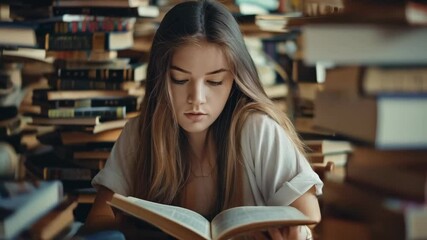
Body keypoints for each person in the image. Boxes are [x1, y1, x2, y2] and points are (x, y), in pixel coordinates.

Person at [84, 0, 323, 239]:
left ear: (236, 80)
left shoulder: (256, 129)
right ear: (160, 77)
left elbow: (308, 214)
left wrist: (294, 233)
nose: (196, 99)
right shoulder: (139, 135)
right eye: (179, 79)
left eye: (214, 81)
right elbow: (99, 220)